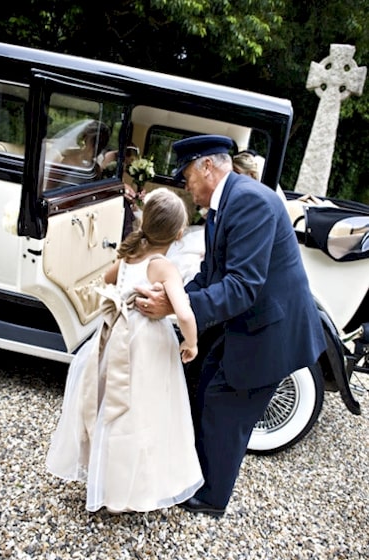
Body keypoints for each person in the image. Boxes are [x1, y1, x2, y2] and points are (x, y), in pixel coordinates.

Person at [135, 134, 327, 517]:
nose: (185, 185)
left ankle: (210, 500)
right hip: (247, 323)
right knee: (203, 382)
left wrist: (172, 306)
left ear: (207, 165)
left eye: (187, 174)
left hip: (272, 332)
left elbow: (242, 286)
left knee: (224, 405)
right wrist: (170, 299)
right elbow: (209, 276)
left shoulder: (249, 201)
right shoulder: (224, 205)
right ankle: (193, 477)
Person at [46, 187, 203, 514]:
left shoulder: (130, 255)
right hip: (145, 344)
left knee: (109, 404)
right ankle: (128, 488)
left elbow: (105, 281)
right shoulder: (164, 267)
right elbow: (185, 313)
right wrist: (192, 342)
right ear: (178, 234)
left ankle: (104, 477)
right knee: (140, 410)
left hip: (116, 334)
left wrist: (122, 300)